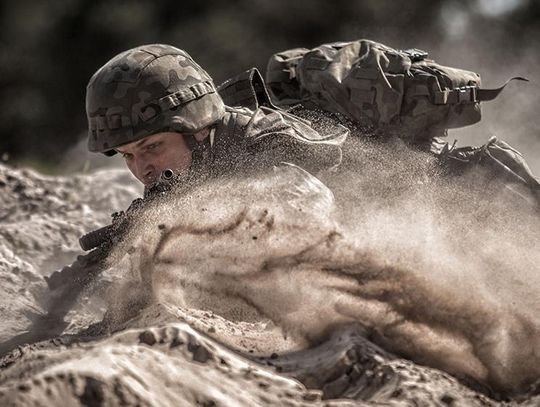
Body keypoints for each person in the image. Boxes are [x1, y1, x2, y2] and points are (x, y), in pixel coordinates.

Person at [85, 41, 539, 197]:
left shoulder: (266, 140)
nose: (141, 169)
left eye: (151, 147)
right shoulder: (195, 164)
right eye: (127, 155)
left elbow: (308, 199)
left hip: (432, 196)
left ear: (197, 127)